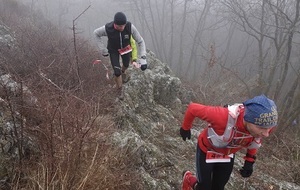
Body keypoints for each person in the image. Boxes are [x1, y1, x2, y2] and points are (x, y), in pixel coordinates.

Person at [179, 94, 278, 190]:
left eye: (269, 129)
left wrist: (249, 160)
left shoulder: (263, 126)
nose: (266, 134)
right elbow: (193, 108)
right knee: (204, 187)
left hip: (228, 154)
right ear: (247, 119)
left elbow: (255, 141)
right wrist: (185, 128)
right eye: (262, 128)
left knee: (218, 187)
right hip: (207, 150)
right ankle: (188, 178)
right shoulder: (222, 116)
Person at [94, 12, 147, 100]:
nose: (122, 28)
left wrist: (143, 58)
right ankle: (120, 89)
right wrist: (103, 49)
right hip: (113, 50)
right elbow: (96, 33)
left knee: (126, 65)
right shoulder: (108, 28)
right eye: (119, 26)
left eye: (123, 25)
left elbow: (140, 41)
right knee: (117, 71)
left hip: (126, 48)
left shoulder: (130, 27)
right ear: (115, 24)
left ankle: (123, 72)